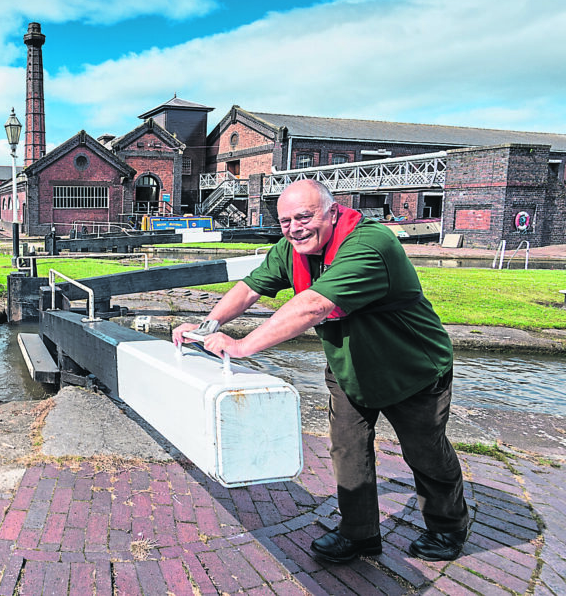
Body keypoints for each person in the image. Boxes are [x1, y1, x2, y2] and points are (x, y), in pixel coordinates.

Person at [173, 179, 469, 563]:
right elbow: (250, 288)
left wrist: (242, 346)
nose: (294, 228)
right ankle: (359, 533)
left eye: (304, 216)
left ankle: (447, 527)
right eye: (284, 221)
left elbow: (312, 306)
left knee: (425, 453)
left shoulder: (369, 245)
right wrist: (207, 327)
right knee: (347, 450)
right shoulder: (292, 248)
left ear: (332, 212)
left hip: (411, 370)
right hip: (350, 370)